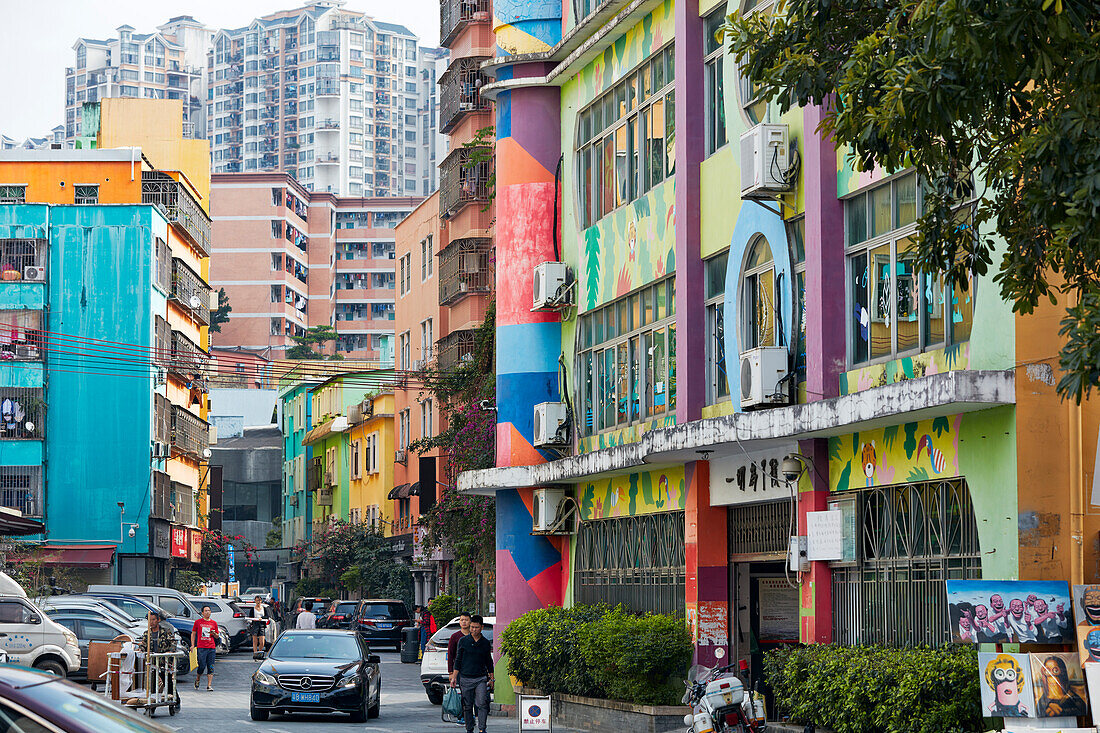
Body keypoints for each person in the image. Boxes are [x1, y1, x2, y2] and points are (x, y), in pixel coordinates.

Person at [449, 615, 493, 733]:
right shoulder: (463, 641)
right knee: (467, 706)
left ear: (481, 627)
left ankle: (482, 729)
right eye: (472, 627)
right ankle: (469, 729)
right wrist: (453, 676)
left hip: (481, 678)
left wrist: (492, 678)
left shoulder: (485, 643)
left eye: (476, 627)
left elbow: (489, 661)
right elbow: (458, 660)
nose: (474, 630)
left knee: (481, 703)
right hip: (465, 678)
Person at [447, 612, 473, 727]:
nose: (464, 622)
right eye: (462, 620)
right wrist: (451, 673)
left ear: (470, 621)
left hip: (473, 669)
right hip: (459, 670)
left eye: (466, 620)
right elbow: (451, 655)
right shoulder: (455, 637)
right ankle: (462, 716)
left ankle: (470, 715)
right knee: (464, 694)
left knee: (473, 694)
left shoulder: (475, 635)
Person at [192, 605, 218, 691]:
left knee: (211, 666)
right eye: (206, 611)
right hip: (201, 647)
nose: (208, 612)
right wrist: (192, 645)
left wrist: (214, 634)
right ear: (202, 613)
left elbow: (217, 636)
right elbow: (193, 633)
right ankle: (198, 679)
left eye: (209, 611)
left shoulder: (214, 623)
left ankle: (209, 685)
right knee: (202, 666)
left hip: (211, 647)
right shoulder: (198, 622)